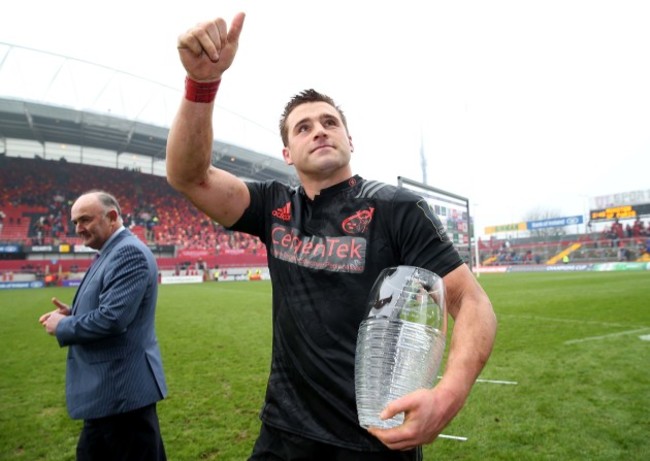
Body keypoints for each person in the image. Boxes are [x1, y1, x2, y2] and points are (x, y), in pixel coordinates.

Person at [167, 12, 497, 459]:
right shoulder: (272, 206)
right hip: (282, 436)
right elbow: (189, 175)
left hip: (374, 441)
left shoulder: (396, 208)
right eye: (303, 127)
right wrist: (201, 83)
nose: (318, 129)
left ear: (349, 139)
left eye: (329, 122)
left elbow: (471, 302)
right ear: (287, 152)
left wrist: (448, 395)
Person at [39, 190, 167, 461]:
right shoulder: (111, 251)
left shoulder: (127, 253)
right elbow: (112, 307)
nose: (78, 228)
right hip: (110, 393)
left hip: (122, 392)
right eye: (75, 222)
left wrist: (64, 326)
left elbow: (113, 319)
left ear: (111, 217)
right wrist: (74, 313)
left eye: (84, 220)